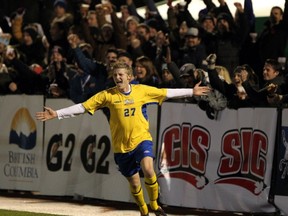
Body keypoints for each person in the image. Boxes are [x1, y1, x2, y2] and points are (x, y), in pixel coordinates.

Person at [35, 61, 210, 216]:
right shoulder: (107, 96)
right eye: (115, 75)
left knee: (148, 169)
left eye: (121, 75)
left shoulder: (141, 91)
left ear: (129, 77)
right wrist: (56, 114)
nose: (117, 77)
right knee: (134, 184)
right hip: (121, 147)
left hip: (141, 139)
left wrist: (191, 91)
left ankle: (155, 204)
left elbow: (166, 92)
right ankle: (143, 209)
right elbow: (82, 107)